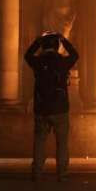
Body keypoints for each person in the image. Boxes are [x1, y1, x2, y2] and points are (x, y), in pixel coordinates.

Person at [24, 32, 79, 182]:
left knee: (39, 141)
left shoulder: (37, 62)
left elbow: (27, 54)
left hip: (41, 107)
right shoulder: (62, 62)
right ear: (56, 46)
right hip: (60, 107)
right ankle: (62, 173)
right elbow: (75, 55)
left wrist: (38, 41)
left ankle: (37, 172)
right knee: (62, 143)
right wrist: (64, 40)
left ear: (44, 46)